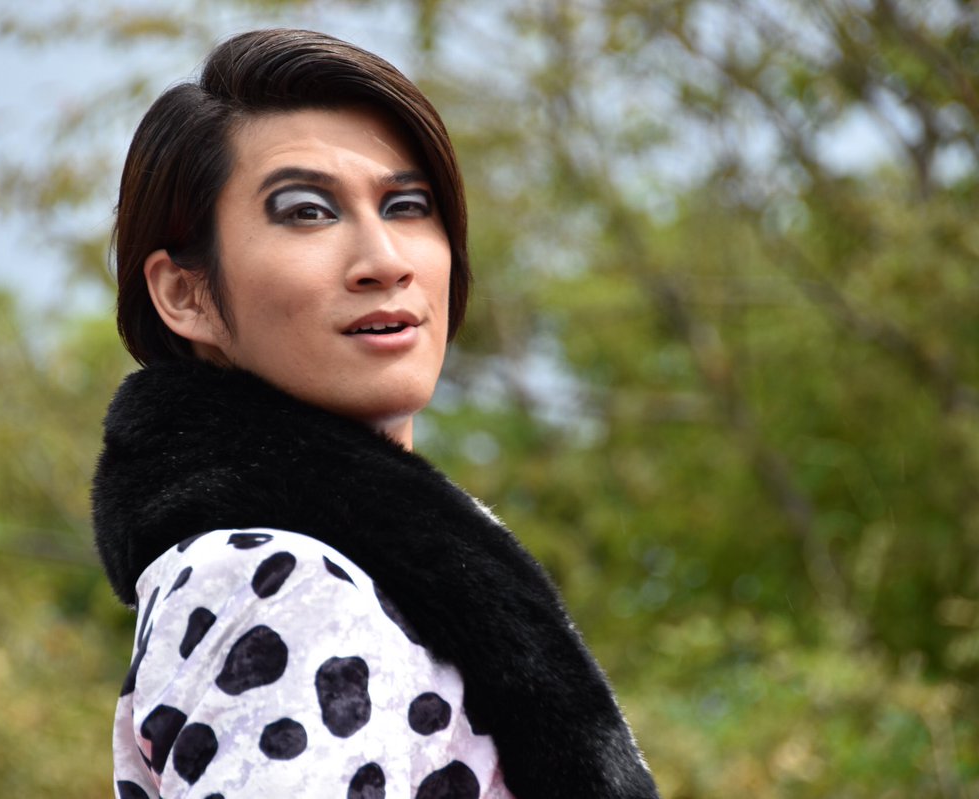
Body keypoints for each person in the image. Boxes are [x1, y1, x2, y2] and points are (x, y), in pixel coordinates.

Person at [92, 28, 658, 799]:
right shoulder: (277, 578)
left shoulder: (387, 568)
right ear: (185, 294)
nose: (385, 260)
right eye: (307, 211)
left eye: (408, 205)